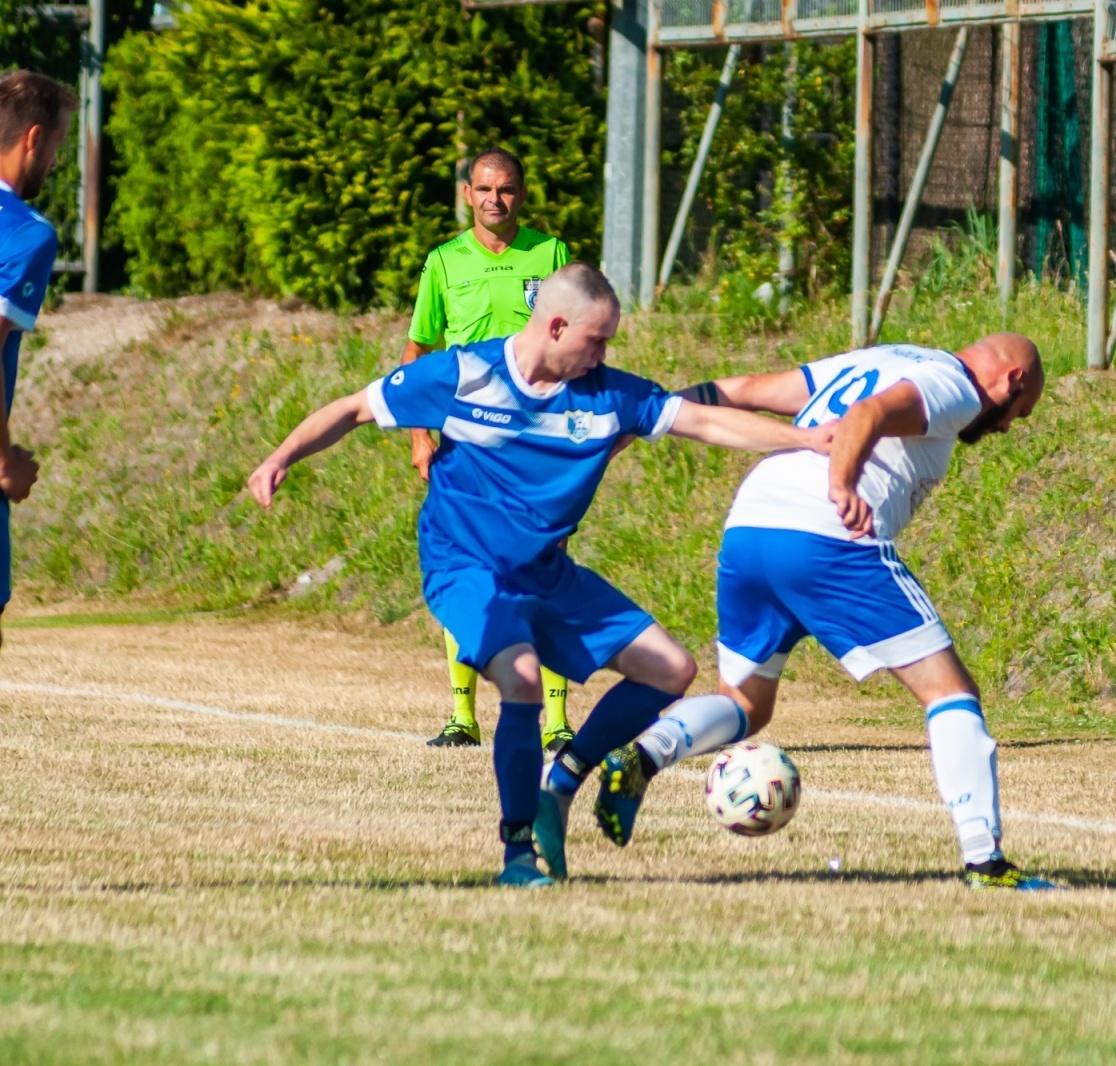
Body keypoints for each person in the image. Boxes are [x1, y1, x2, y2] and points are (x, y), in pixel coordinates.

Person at [247, 263, 832, 888]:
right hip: (465, 566)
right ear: (555, 326)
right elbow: (354, 408)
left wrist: (805, 439)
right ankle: (519, 853)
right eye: (596, 340)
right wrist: (280, 457)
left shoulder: (610, 396)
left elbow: (706, 421)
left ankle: (563, 781)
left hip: (546, 573)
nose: (603, 354)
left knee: (670, 669)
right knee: (522, 676)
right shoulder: (464, 374)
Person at [583, 335, 1056, 891]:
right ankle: (986, 862)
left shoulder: (878, 358)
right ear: (1013, 380)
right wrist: (842, 484)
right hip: (825, 536)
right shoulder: (957, 385)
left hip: (751, 528)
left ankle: (644, 754)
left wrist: (646, 421)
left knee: (746, 705)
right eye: (1020, 413)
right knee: (950, 692)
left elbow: (743, 389)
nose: (1007, 427)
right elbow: (869, 414)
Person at [404, 146, 575, 750]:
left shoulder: (551, 255)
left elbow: (577, 339)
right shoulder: (444, 262)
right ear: (467, 194)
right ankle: (462, 716)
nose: (494, 199)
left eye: (505, 189)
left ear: (521, 194)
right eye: (484, 189)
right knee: (466, 570)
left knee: (543, 570)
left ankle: (557, 722)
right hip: (467, 440)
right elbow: (419, 349)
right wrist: (420, 434)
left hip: (538, 439)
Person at [0, 71, 75, 646]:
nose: (53, 161)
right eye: (56, 144)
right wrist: (4, 461)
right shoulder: (26, 233)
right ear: (32, 138)